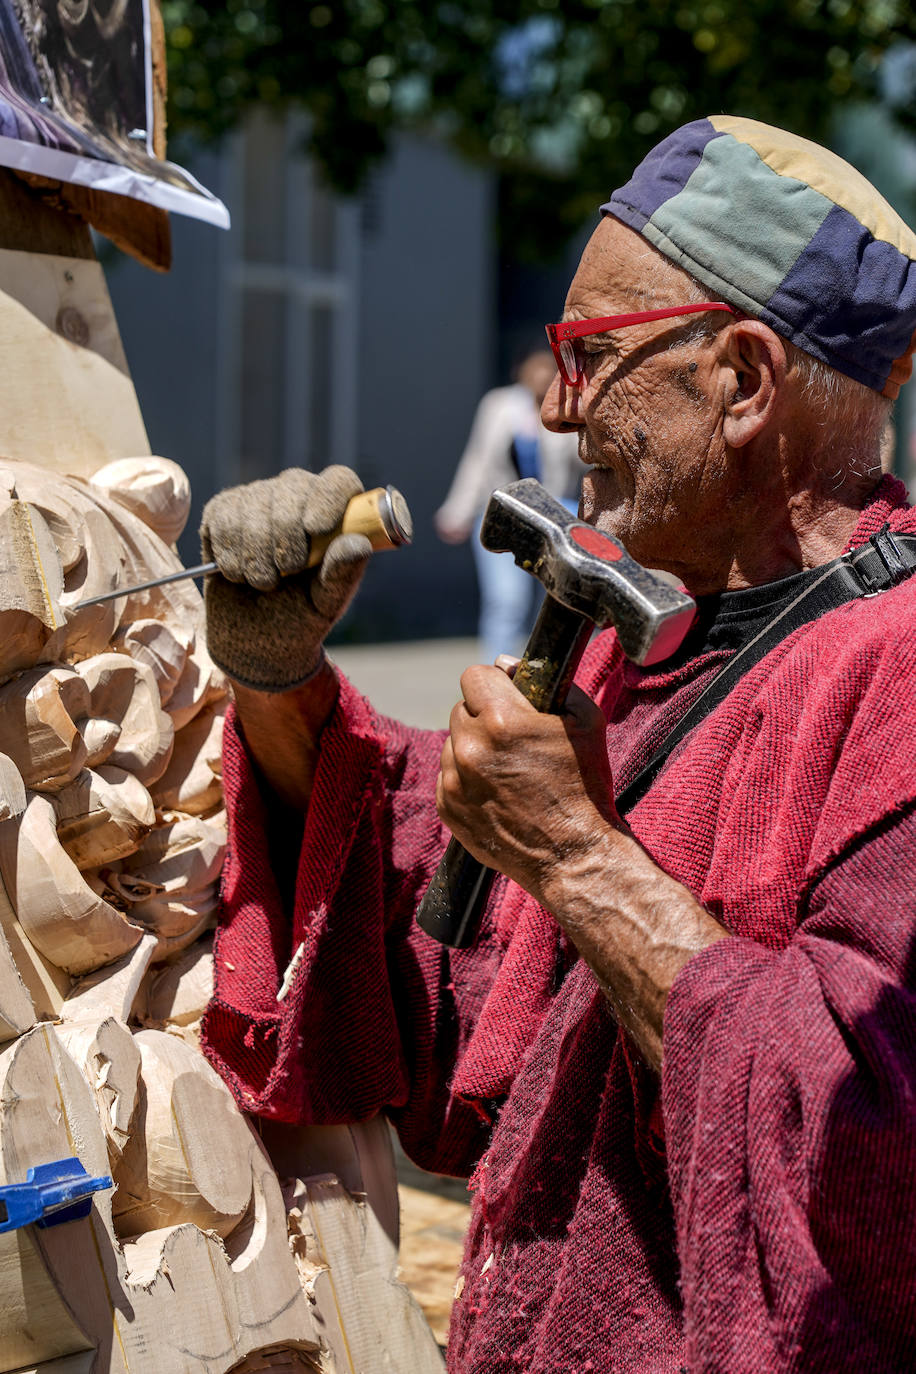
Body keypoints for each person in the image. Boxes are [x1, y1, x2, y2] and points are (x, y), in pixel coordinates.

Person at [199, 116, 916, 1372]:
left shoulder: (892, 676)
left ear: (742, 382)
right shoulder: (644, 637)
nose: (562, 403)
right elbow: (456, 947)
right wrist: (280, 686)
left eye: (591, 353)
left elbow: (865, 1152)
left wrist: (581, 858)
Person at [435, 347, 581, 661]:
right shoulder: (499, 406)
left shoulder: (564, 407)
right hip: (506, 515)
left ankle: (543, 668)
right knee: (506, 599)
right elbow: (478, 459)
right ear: (522, 372)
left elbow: (580, 461)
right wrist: (457, 510)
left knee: (556, 600)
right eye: (536, 369)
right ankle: (495, 672)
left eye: (549, 370)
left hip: (553, 515)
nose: (542, 376)